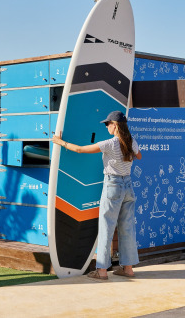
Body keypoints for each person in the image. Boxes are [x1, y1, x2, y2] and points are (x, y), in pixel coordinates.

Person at [52, 110, 142, 281]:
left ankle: (101, 271)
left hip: (113, 185)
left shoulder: (110, 143)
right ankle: (128, 269)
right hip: (128, 186)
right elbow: (139, 155)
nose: (106, 126)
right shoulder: (131, 141)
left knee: (106, 227)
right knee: (128, 228)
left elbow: (79, 149)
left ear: (115, 126)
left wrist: (59, 142)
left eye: (108, 124)